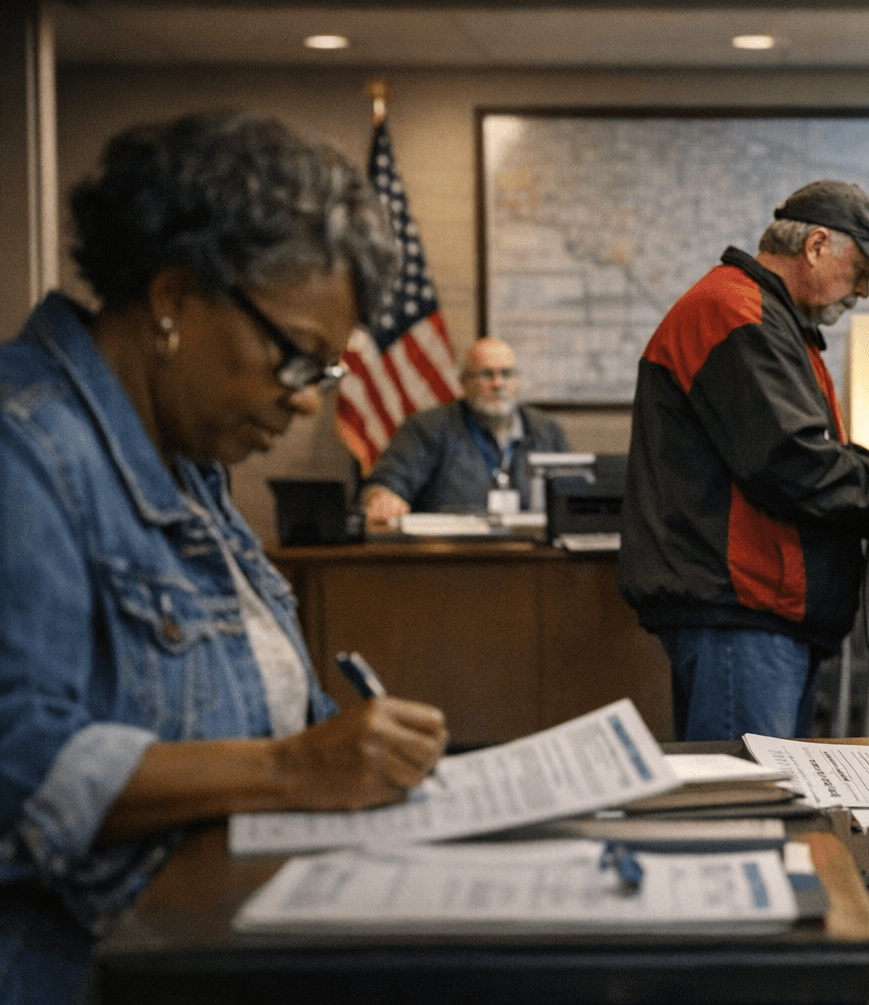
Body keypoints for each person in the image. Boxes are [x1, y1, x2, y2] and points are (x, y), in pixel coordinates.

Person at [0, 112, 450, 1003]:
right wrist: (292, 768)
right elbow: (17, 762)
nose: (307, 406)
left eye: (324, 377)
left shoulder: (188, 461)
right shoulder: (27, 452)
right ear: (174, 297)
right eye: (296, 362)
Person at [619, 179, 869, 742]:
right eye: (860, 270)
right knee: (746, 802)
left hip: (755, 611)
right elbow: (789, 463)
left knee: (759, 794)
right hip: (742, 611)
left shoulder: (763, 315)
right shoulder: (738, 313)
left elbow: (784, 447)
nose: (862, 290)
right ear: (815, 246)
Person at [359, 336, 570, 524]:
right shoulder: (426, 428)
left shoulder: (546, 430)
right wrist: (382, 497)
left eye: (506, 373)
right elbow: (388, 482)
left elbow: (571, 491)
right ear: (463, 382)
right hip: (453, 557)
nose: (498, 383)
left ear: (517, 381)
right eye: (486, 374)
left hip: (529, 554)